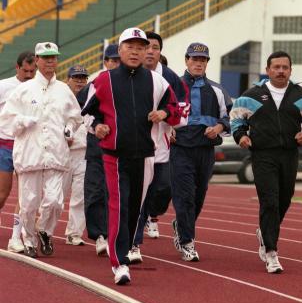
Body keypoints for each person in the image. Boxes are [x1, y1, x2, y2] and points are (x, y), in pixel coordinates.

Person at [82, 27, 182, 285]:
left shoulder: (157, 81)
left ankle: (123, 249)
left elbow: (177, 111)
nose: (136, 51)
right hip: (114, 155)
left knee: (135, 209)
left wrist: (164, 115)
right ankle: (119, 263)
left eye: (141, 47)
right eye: (131, 46)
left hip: (146, 155)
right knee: (118, 205)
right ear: (120, 49)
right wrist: (98, 127)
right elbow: (85, 114)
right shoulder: (103, 80)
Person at [0, 42, 82, 258]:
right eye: (45, 58)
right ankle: (28, 239)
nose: (50, 62)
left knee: (55, 200)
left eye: (53, 58)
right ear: (37, 60)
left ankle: (44, 230)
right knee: (28, 203)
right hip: (30, 153)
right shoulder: (23, 90)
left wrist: (69, 127)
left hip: (56, 153)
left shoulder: (64, 90)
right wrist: (22, 121)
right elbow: (6, 121)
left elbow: (76, 117)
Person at [230, 50, 302, 274]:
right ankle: (271, 251)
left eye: (285, 67)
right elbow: (236, 117)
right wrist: (240, 135)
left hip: (290, 154)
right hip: (262, 155)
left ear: (290, 70)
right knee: (269, 201)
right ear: (267, 70)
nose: (281, 71)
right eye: (276, 67)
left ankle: (265, 230)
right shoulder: (252, 94)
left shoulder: (299, 94)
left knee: (284, 199)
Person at [129, 31, 188, 264]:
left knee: (163, 189)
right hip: (133, 149)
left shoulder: (170, 79)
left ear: (160, 51)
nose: (150, 51)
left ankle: (150, 216)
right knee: (137, 197)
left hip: (161, 150)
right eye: (146, 47)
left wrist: (165, 115)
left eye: (154, 47)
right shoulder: (127, 76)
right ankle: (133, 243)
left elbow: (183, 114)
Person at [170, 42, 232, 262]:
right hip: (180, 150)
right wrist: (167, 129)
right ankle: (187, 242)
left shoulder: (217, 90)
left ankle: (181, 225)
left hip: (205, 152)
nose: (198, 63)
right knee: (184, 197)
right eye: (194, 59)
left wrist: (218, 128)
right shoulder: (172, 85)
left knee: (198, 196)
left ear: (207, 63)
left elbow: (228, 118)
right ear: (186, 60)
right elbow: (160, 112)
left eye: (202, 60)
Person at [77, 44, 120, 256]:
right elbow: (82, 113)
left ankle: (118, 235)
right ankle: (100, 235)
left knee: (117, 193)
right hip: (97, 145)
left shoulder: (129, 84)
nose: (114, 64)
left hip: (122, 146)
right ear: (105, 62)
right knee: (95, 190)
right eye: (111, 60)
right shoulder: (94, 85)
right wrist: (96, 127)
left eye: (117, 60)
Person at [0, 51, 36, 253]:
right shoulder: (4, 86)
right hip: (5, 144)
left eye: (32, 71)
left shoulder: (37, 89)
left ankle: (15, 238)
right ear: (17, 68)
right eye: (25, 71)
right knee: (2, 194)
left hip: (28, 145)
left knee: (25, 196)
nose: (29, 75)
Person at [63, 65, 89, 246]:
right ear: (68, 79)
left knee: (80, 196)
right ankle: (44, 229)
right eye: (76, 77)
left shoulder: (90, 97)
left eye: (83, 78)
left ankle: (74, 232)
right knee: (55, 196)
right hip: (62, 153)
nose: (80, 81)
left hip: (84, 153)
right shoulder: (61, 98)